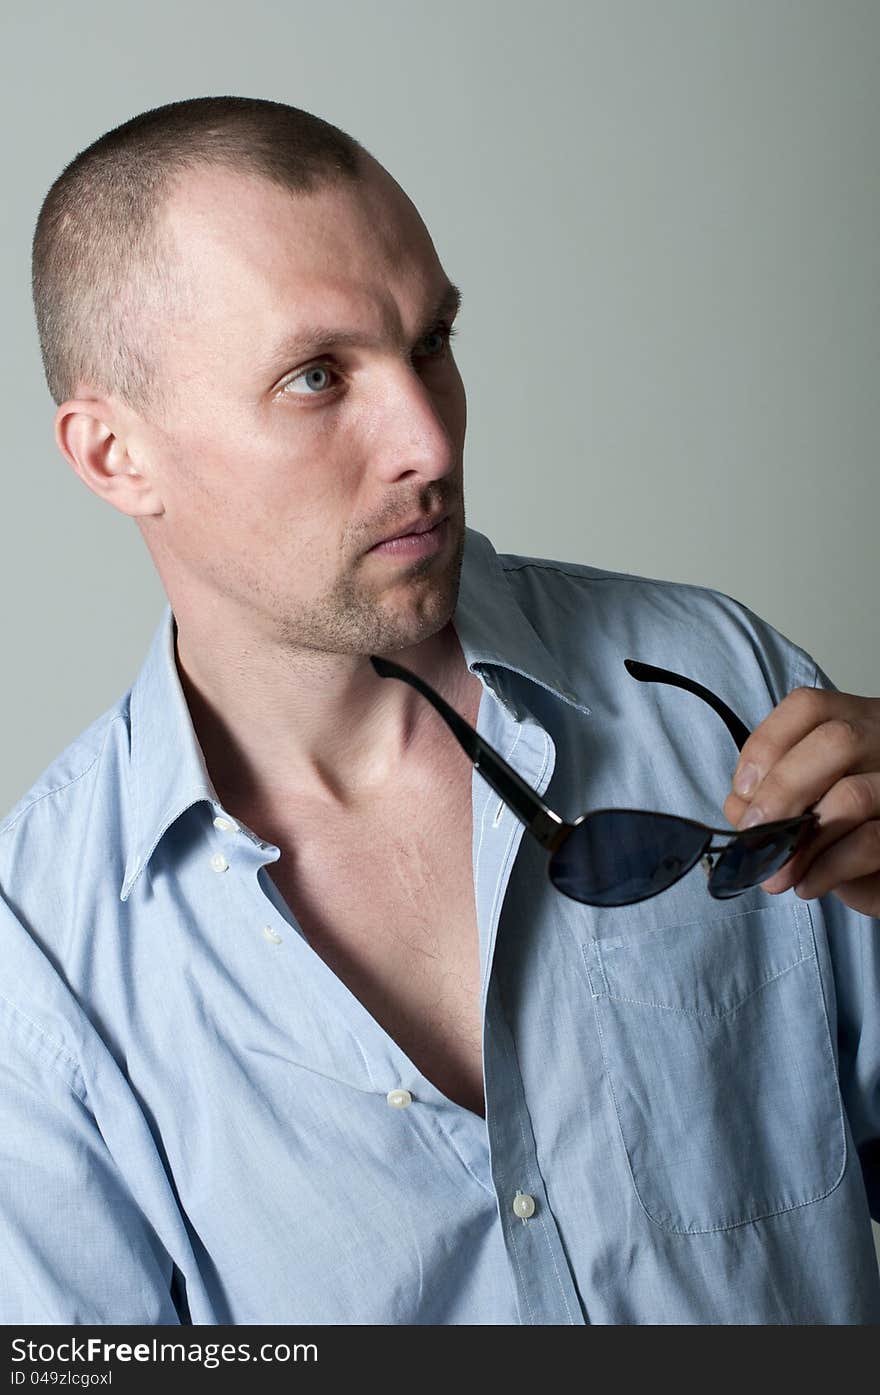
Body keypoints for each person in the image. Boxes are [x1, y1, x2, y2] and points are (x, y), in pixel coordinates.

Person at [2, 94, 878, 1326]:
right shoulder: (38, 965)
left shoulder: (717, 689)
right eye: (316, 378)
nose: (426, 439)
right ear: (113, 457)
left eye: (430, 345)